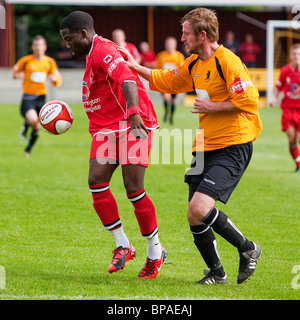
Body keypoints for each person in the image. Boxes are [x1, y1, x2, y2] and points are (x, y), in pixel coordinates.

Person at [120, 7, 262, 285]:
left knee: (199, 208)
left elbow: (250, 102)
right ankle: (217, 274)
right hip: (204, 144)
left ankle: (248, 248)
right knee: (194, 216)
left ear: (202, 35)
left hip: (233, 144)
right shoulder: (195, 63)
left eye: (185, 34)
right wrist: (135, 67)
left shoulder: (228, 62)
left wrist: (212, 106)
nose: (181, 38)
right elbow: (170, 81)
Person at [60, 11, 166, 279]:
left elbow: (128, 79)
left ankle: (155, 251)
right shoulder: (91, 55)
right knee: (96, 180)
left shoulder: (103, 50)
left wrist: (133, 113)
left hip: (132, 122)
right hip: (106, 129)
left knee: (133, 188)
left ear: (84, 34)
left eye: (69, 38)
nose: (66, 44)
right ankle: (123, 245)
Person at [12, 35, 62, 157]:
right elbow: (15, 73)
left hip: (41, 97)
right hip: (28, 97)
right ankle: (26, 124)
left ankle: (28, 149)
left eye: (40, 45)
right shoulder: (26, 61)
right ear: (32, 47)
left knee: (37, 126)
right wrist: (23, 75)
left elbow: (57, 77)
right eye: (36, 45)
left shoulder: (49, 62)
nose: (38, 47)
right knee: (33, 120)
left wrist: (55, 80)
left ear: (44, 47)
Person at [270, 43, 300, 172]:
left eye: (299, 54)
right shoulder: (285, 71)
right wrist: (274, 98)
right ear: (290, 56)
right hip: (288, 109)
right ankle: (298, 164)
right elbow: (279, 86)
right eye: (294, 54)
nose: (297, 56)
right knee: (292, 138)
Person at [156, 36, 185, 124]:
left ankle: (171, 117)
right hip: (164, 81)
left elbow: (181, 69)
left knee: (172, 101)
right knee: (165, 98)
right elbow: (158, 68)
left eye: (171, 44)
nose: (169, 46)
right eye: (168, 44)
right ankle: (166, 112)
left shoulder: (179, 56)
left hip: (174, 82)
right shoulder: (161, 56)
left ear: (175, 45)